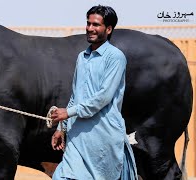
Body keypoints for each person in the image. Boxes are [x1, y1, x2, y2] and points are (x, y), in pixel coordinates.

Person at [51, 5, 138, 180]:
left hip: (102, 139)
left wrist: (67, 113)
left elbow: (102, 98)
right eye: (88, 23)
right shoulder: (82, 57)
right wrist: (63, 127)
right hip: (77, 137)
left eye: (96, 25)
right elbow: (75, 95)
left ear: (108, 29)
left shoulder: (115, 57)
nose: (90, 28)